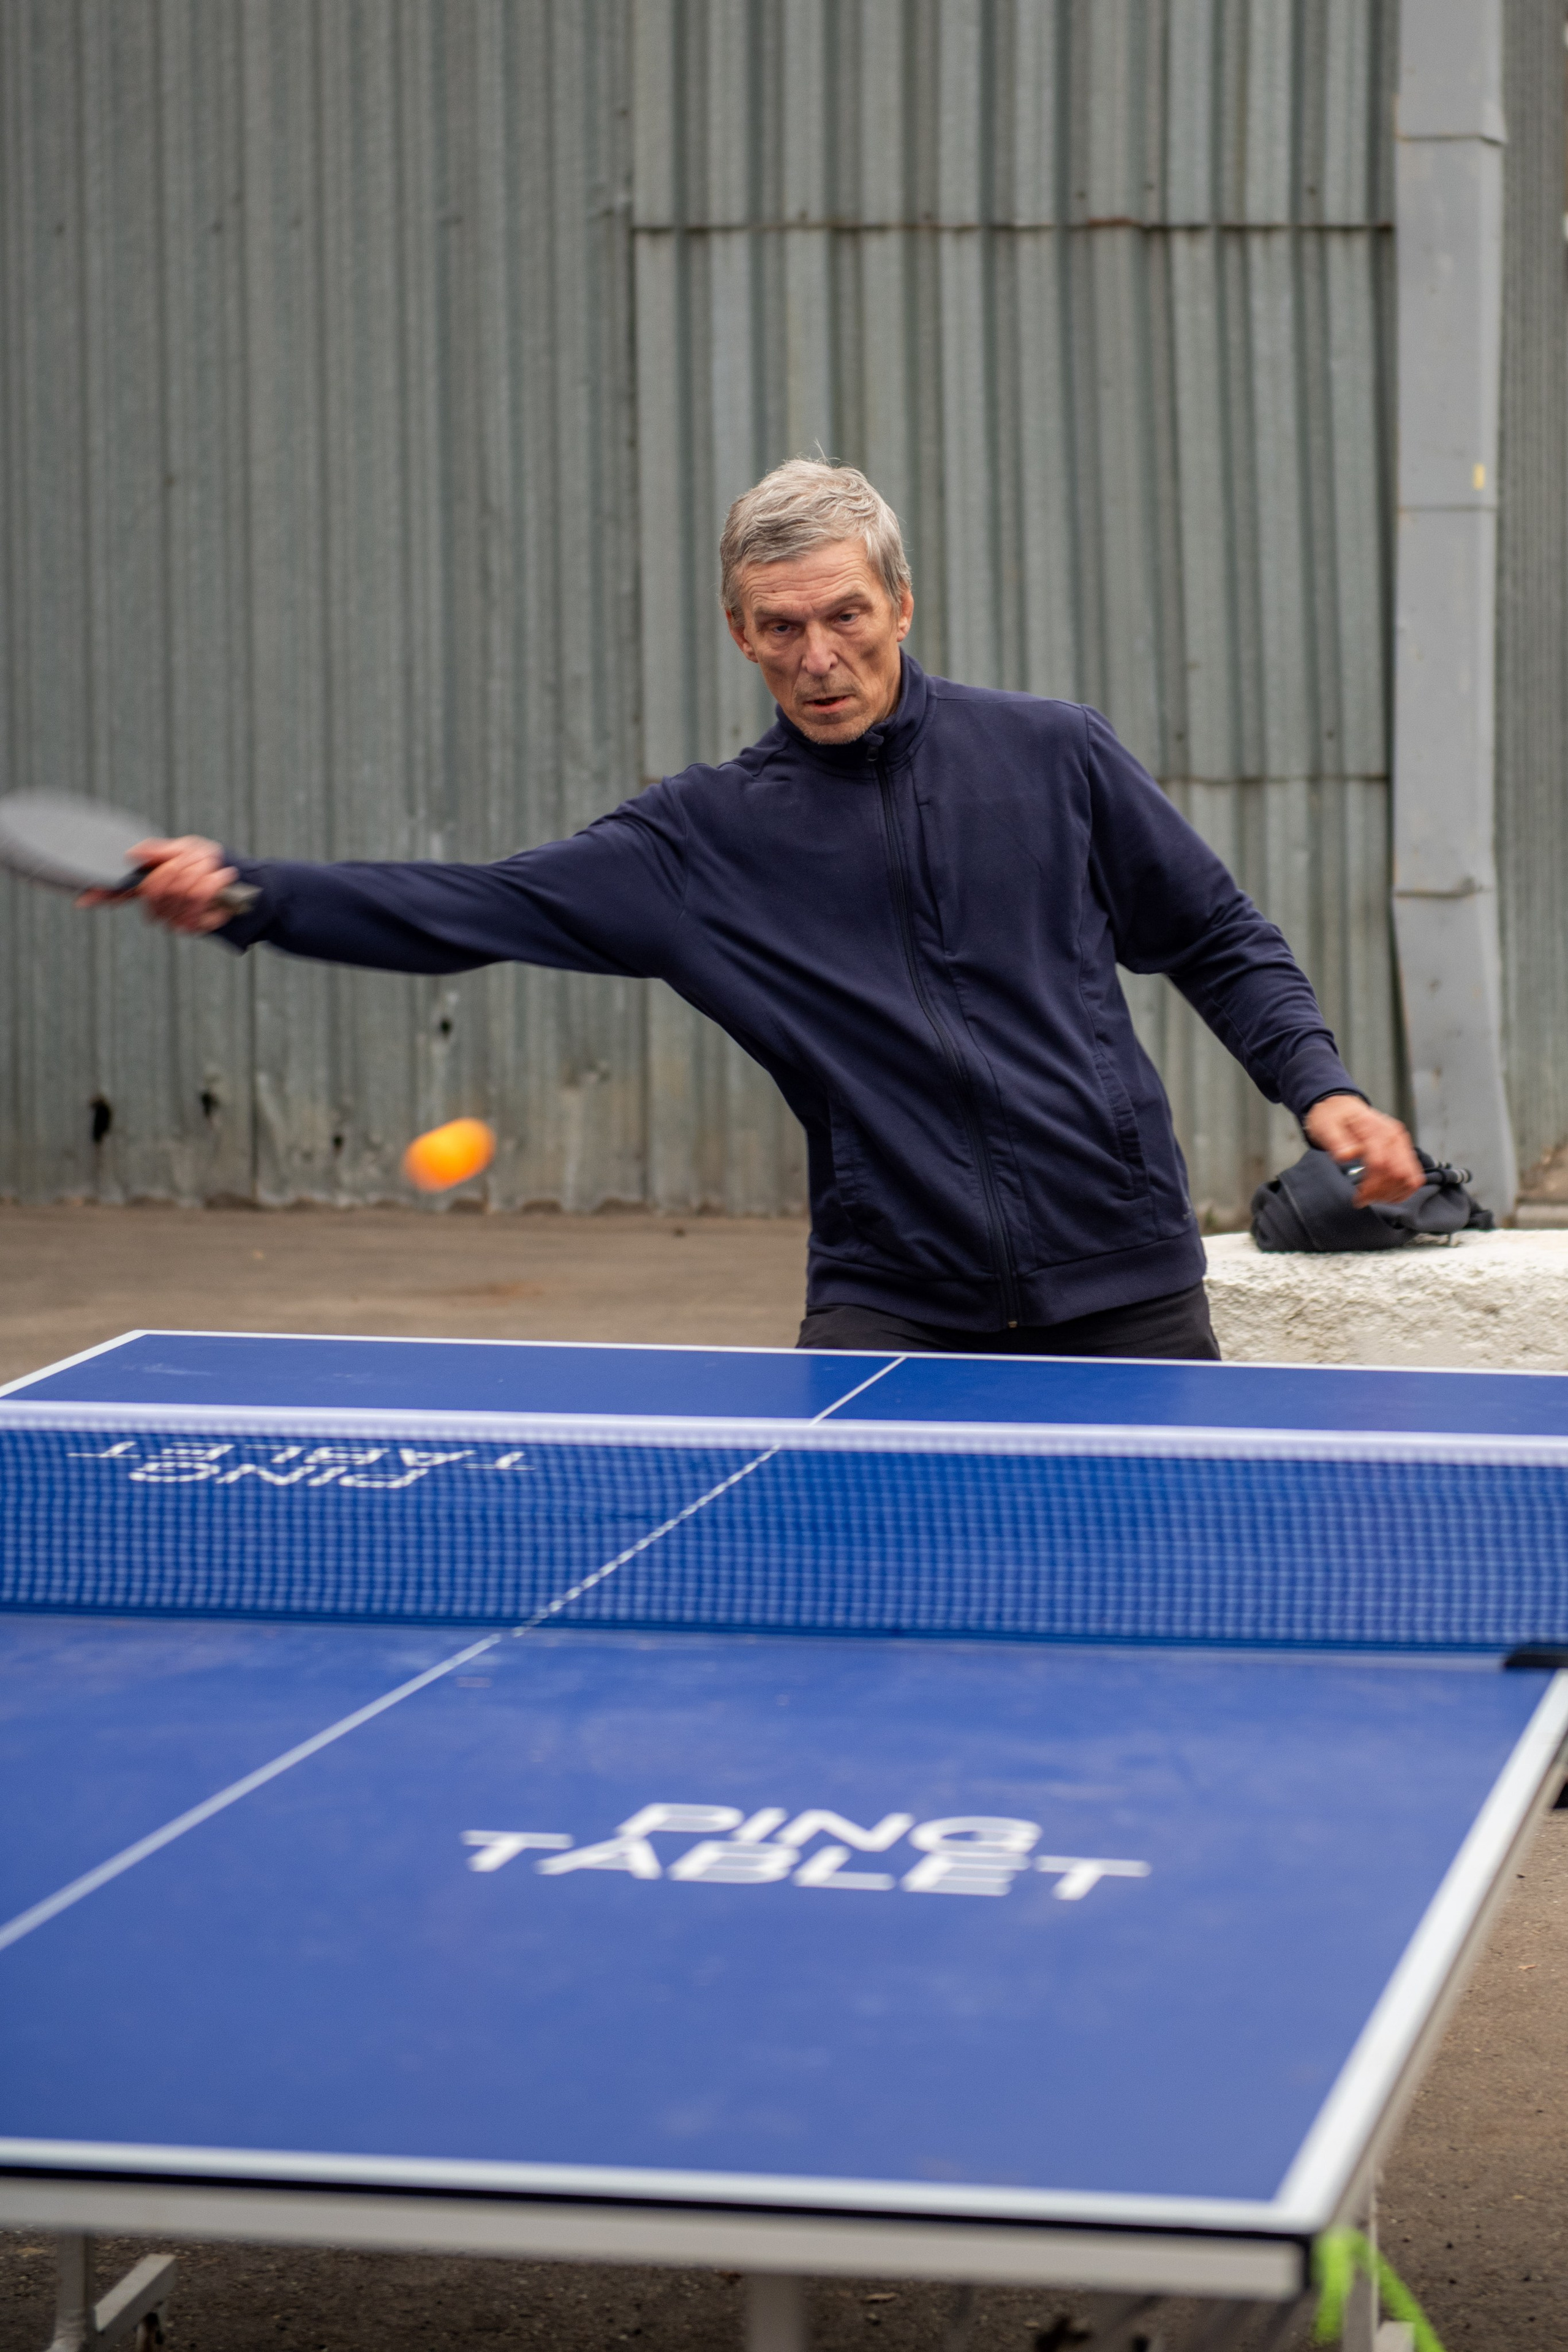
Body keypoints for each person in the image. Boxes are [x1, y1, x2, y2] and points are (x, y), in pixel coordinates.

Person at [97, 460, 1422, 1360]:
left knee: (1154, 1641)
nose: (818, 656)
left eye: (845, 615)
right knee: (851, 1651)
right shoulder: (699, 841)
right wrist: (251, 895)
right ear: (738, 632)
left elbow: (1210, 935)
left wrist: (1318, 1087)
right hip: (889, 1300)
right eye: (778, 627)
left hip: (1124, 1282)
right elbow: (473, 907)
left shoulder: (1050, 756)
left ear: (899, 602)